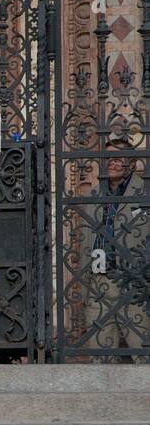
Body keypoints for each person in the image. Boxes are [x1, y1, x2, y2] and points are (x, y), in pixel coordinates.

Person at [85, 141, 147, 357]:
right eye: (108, 157)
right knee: (100, 352)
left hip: (134, 280)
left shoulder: (145, 192)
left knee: (142, 351)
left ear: (131, 162)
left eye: (118, 158)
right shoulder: (92, 195)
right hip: (99, 280)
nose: (111, 162)